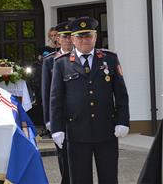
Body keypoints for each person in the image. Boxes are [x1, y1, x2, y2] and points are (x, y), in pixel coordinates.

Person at [50, 17, 130, 184]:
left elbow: (121, 94)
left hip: (106, 129)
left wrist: (123, 121)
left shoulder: (110, 59)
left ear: (95, 37)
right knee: (79, 179)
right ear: (73, 39)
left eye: (88, 36)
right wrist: (57, 128)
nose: (84, 40)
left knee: (109, 177)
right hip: (76, 131)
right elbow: (56, 99)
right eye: (79, 37)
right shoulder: (61, 63)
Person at [41, 21, 73, 184]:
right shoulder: (49, 61)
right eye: (64, 37)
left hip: (78, 116)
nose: (67, 40)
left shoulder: (81, 58)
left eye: (70, 37)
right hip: (59, 116)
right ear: (58, 40)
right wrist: (48, 119)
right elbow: (46, 92)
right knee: (62, 155)